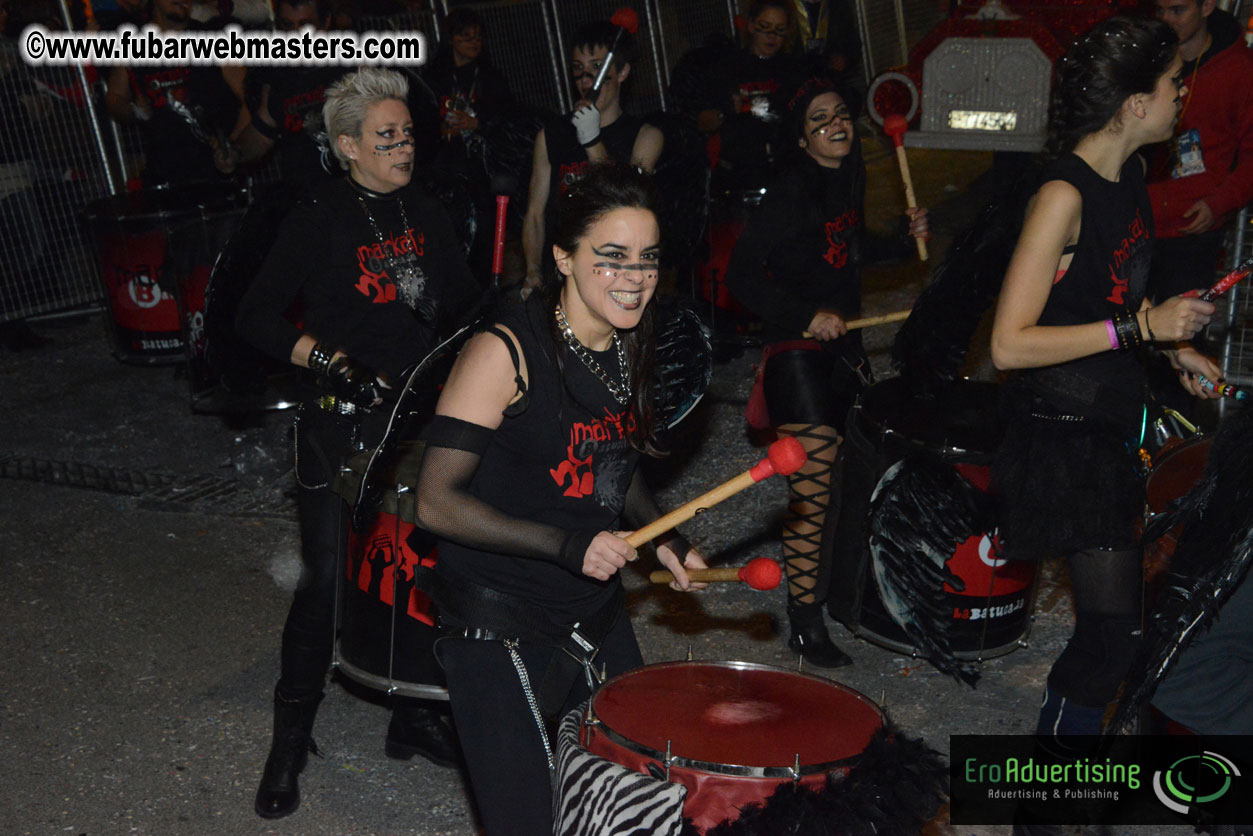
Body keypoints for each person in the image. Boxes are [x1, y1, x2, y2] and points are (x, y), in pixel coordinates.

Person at [413, 164, 708, 836]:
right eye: (610, 259)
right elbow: (435, 503)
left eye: (647, 260)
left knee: (639, 808)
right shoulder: (505, 351)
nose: (633, 278)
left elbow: (611, 460)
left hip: (592, 609)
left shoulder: (633, 341)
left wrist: (662, 533)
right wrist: (567, 544)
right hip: (497, 618)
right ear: (563, 258)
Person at [235, 67, 480, 820]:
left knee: (421, 569)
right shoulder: (318, 217)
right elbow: (255, 317)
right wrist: (328, 358)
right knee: (327, 579)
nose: (402, 146)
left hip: (417, 416)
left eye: (407, 133)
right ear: (347, 146)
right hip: (341, 416)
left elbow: (468, 307)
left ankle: (412, 717)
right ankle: (288, 739)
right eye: (386, 137)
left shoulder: (428, 211)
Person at [988, 16, 1222, 754]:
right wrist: (1140, 332)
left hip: (1106, 415)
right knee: (1109, 637)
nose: (1181, 91)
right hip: (1058, 436)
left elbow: (1101, 298)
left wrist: (1171, 347)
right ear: (1130, 103)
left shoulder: (1126, 176)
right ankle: (1041, 803)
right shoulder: (1063, 196)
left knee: (1114, 629)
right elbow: (1007, 344)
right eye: (1169, 82)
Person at [725, 78, 927, 667]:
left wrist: (900, 241)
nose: (836, 125)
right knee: (812, 492)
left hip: (843, 350)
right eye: (820, 120)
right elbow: (741, 275)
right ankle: (806, 624)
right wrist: (805, 315)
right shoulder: (789, 191)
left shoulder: (850, 178)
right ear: (802, 138)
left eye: (841, 114)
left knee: (847, 487)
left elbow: (847, 252)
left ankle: (842, 598)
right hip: (795, 352)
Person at [521, 21, 664, 295]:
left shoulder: (646, 136)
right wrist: (532, 273)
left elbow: (624, 201)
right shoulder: (551, 135)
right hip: (561, 273)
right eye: (578, 68)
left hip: (616, 275)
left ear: (621, 72)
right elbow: (535, 215)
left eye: (597, 68)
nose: (586, 80)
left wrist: (592, 141)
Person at [1145, 0, 1253, 304]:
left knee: (1184, 336)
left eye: (1178, 10)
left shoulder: (1239, 69)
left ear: (1206, 7)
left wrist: (1218, 204)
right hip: (1137, 222)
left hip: (1193, 228)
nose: (1166, 19)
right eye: (1160, 10)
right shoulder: (1145, 62)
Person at [104, 0, 245, 187]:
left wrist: (233, 145)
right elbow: (115, 99)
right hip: (164, 176)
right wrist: (134, 110)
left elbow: (250, 99)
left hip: (217, 175)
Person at [693, 0, 806, 192]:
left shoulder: (792, 69)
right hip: (740, 174)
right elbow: (702, 122)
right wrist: (726, 112)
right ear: (752, 26)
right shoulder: (728, 68)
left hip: (785, 168)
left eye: (779, 30)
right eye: (765, 28)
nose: (772, 37)